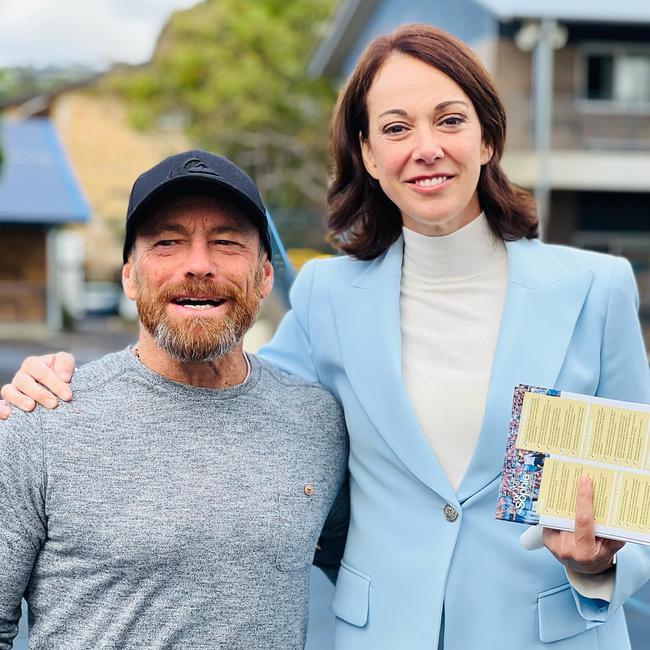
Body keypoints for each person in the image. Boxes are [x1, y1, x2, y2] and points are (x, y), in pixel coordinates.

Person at [3, 24, 650, 650]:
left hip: (551, 636)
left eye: (450, 120)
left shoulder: (596, 288)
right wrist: (56, 383)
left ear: (487, 138)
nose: (425, 147)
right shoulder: (328, 295)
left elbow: (639, 500)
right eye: (396, 128)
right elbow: (226, 390)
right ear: (368, 154)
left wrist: (599, 565)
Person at [0, 150, 348, 649]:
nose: (199, 265)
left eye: (227, 242)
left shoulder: (317, 422)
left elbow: (374, 569)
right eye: (168, 243)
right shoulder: (42, 419)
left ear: (265, 275)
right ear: (129, 276)